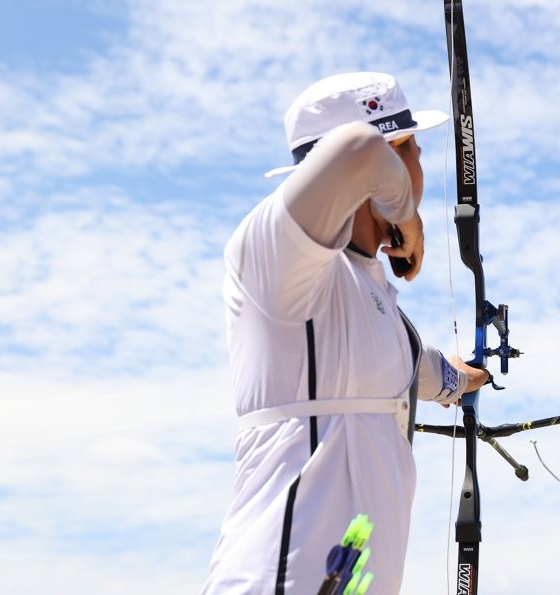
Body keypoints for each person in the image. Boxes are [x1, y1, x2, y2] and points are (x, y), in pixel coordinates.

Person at [201, 72, 490, 595]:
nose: (421, 167)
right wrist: (406, 215)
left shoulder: (377, 303)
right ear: (393, 159)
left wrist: (465, 378)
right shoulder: (275, 259)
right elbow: (357, 150)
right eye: (414, 150)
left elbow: (421, 370)